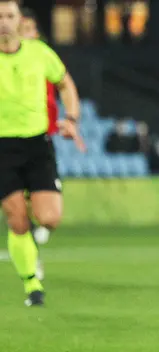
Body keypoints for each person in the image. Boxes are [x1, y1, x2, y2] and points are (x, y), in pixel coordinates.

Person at [0, 0, 85, 306]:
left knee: (49, 218)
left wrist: (72, 119)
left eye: (9, 16)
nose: (4, 22)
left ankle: (31, 224)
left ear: (18, 19)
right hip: (2, 148)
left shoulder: (39, 53)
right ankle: (32, 285)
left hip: (37, 144)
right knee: (17, 221)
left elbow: (65, 83)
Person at [19, 7, 61, 276]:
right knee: (19, 209)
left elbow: (65, 84)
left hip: (42, 138)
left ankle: (37, 230)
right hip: (12, 140)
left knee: (47, 210)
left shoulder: (43, 60)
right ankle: (31, 257)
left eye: (29, 29)